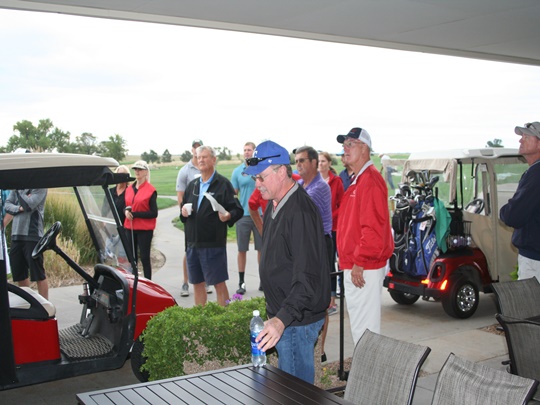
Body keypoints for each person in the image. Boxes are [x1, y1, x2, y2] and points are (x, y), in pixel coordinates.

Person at [246, 140, 330, 384]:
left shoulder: (300, 211)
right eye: (255, 178)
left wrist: (281, 319)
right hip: (288, 317)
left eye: (261, 177)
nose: (257, 184)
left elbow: (308, 277)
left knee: (295, 394)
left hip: (296, 322)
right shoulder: (274, 202)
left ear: (281, 171)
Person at [336, 127, 394, 346]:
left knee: (365, 331)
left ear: (365, 149)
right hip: (357, 265)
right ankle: (365, 364)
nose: (345, 149)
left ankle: (368, 366)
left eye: (351, 144)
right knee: (360, 329)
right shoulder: (360, 180)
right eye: (344, 145)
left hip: (364, 267)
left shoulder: (370, 180)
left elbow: (373, 228)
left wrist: (360, 262)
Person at [180, 145, 243, 307]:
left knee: (219, 284)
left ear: (213, 160)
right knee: (197, 284)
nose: (201, 160)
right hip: (192, 243)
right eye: (198, 157)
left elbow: (237, 210)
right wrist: (183, 212)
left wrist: (228, 215)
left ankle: (225, 317)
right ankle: (201, 318)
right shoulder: (192, 185)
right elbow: (183, 210)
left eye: (205, 157)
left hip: (213, 244)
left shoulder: (223, 184)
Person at [294, 146, 333, 363]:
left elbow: (298, 211)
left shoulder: (319, 188)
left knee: (320, 299)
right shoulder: (301, 185)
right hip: (307, 244)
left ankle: (320, 351)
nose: (298, 164)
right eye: (296, 161)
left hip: (320, 245)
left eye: (302, 160)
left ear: (314, 163)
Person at [500, 121, 540, 281]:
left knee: (530, 298)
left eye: (526, 137)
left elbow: (514, 216)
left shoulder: (536, 174)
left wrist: (503, 211)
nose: (520, 140)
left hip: (535, 260)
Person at [176, 139, 212, 297]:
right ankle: (186, 282)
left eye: (200, 148)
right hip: (191, 219)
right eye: (195, 148)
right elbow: (180, 196)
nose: (197, 151)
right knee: (189, 251)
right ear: (192, 150)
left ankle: (206, 281)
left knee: (206, 250)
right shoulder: (185, 171)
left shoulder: (208, 168)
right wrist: (184, 211)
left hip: (206, 220)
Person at [4, 188, 49, 298]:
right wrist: (19, 208)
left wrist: (18, 192)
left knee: (38, 274)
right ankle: (27, 301)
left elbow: (29, 205)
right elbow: (7, 205)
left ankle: (45, 305)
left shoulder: (40, 187)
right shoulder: (18, 187)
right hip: (16, 235)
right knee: (19, 274)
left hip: (33, 235)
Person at [231, 142, 262, 295]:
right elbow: (233, 194)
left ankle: (263, 280)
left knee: (261, 249)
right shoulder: (237, 171)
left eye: (249, 150)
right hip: (243, 215)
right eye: (244, 150)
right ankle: (241, 282)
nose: (246, 152)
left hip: (259, 214)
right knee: (242, 249)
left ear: (254, 152)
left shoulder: (260, 169)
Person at [318, 151, 344, 316]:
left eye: (323, 161)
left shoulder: (336, 181)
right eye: (318, 161)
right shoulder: (313, 181)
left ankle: (332, 300)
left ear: (329, 163)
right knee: (320, 264)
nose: (320, 164)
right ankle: (321, 298)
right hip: (317, 229)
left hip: (333, 229)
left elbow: (342, 204)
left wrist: (330, 215)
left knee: (331, 264)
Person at [124, 160, 158, 280]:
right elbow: (126, 205)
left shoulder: (151, 190)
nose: (137, 171)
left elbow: (154, 213)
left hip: (144, 229)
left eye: (140, 169)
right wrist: (126, 212)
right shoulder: (129, 189)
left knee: (144, 257)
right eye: (135, 169)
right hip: (130, 227)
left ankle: (148, 282)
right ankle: (133, 281)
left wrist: (135, 214)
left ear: (146, 172)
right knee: (132, 258)